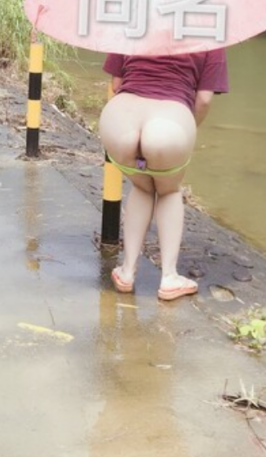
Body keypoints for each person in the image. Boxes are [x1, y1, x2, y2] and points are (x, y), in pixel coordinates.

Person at [98, 48, 228, 300]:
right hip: (169, 120)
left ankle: (126, 271)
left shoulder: (134, 18)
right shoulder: (210, 29)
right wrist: (186, 128)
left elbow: (117, 83)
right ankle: (169, 277)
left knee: (142, 187)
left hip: (119, 119)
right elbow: (203, 100)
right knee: (168, 191)